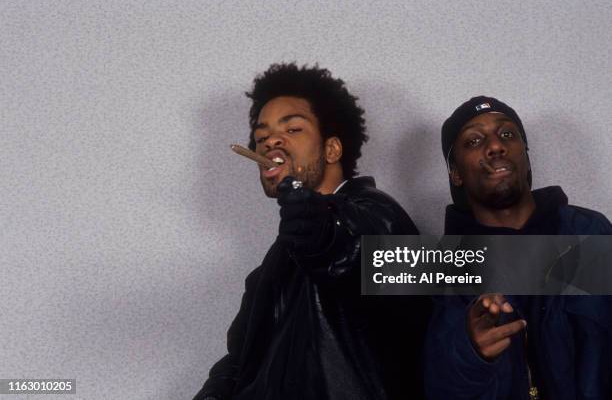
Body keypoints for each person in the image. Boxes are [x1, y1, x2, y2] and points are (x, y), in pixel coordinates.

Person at [194, 63, 430, 400]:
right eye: (262, 137)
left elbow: (348, 248)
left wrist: (317, 227)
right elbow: (243, 362)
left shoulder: (379, 216)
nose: (270, 141)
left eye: (292, 130)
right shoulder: (272, 265)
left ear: (332, 149)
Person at [425, 96, 612, 399]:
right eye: (473, 141)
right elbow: (435, 384)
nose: (496, 146)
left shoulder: (589, 233)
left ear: (525, 155)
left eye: (508, 134)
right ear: (455, 173)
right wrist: (471, 352)